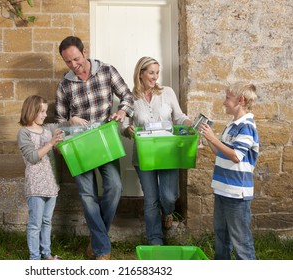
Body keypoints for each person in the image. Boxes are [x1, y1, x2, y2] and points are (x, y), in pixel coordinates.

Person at [55, 36, 134, 260]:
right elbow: (59, 120)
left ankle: (97, 239)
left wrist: (122, 112)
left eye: (76, 59)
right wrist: (70, 122)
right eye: (68, 62)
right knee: (87, 195)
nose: (73, 65)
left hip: (104, 141)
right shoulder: (64, 84)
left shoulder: (107, 71)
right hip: (79, 146)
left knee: (115, 187)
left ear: (84, 51)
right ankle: (102, 249)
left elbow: (127, 96)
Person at [121, 56, 192, 246]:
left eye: (157, 73)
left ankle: (167, 212)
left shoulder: (167, 93)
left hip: (168, 153)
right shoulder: (131, 98)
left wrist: (190, 124)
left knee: (168, 196)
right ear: (141, 74)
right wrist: (128, 130)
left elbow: (179, 117)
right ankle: (155, 239)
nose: (155, 77)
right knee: (151, 199)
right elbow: (123, 125)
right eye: (151, 73)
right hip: (144, 156)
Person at [199, 82, 259, 260]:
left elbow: (236, 156)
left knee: (241, 241)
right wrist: (208, 137)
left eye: (227, 98)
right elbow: (219, 152)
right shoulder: (232, 125)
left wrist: (213, 138)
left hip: (237, 193)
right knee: (221, 235)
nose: (224, 102)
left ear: (240, 100)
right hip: (223, 189)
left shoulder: (246, 126)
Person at [17, 95, 67, 260]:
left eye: (46, 111)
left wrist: (59, 144)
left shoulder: (47, 131)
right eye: (42, 111)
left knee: (46, 222)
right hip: (36, 185)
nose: (45, 115)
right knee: (35, 224)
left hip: (51, 183)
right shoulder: (24, 133)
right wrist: (51, 143)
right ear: (32, 111)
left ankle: (46, 255)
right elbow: (32, 157)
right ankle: (34, 258)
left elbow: (53, 154)